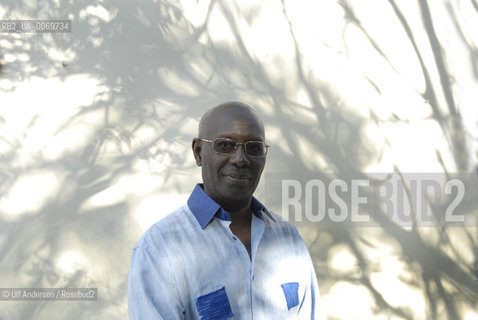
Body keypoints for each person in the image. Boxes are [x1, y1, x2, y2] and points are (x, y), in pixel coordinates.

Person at [128, 101, 326, 319]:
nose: (241, 159)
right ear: (198, 152)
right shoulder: (159, 248)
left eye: (254, 147)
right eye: (225, 145)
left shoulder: (288, 238)